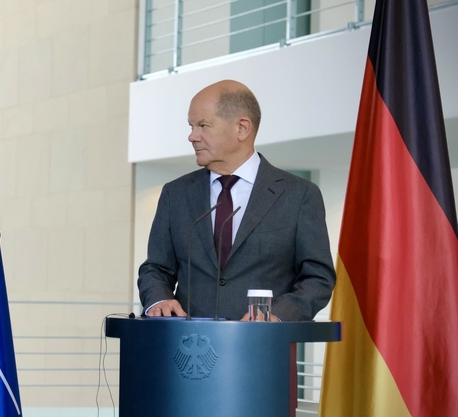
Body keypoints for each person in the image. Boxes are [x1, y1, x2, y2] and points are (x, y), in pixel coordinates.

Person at [138, 79, 335, 321]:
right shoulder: (175, 194)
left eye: (203, 125)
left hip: (263, 348)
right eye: (191, 126)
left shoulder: (299, 195)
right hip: (189, 348)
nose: (192, 136)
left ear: (242, 128)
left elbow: (318, 277)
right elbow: (155, 268)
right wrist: (158, 299)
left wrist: (278, 315)